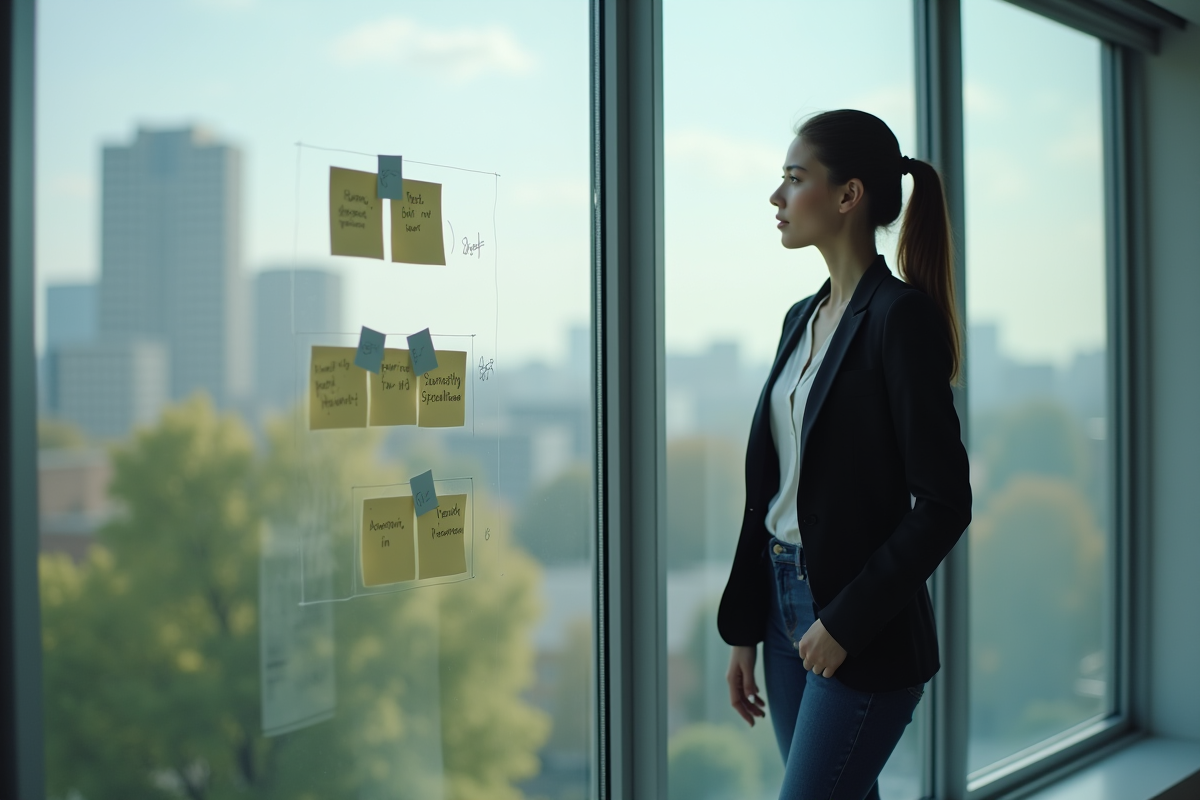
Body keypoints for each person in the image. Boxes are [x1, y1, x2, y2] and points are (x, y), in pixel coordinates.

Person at [717, 109, 973, 799]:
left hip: (860, 628)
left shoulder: (900, 319)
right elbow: (770, 490)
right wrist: (745, 625)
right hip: (779, 610)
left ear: (848, 195)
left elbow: (945, 503)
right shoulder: (799, 317)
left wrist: (844, 623)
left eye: (794, 179)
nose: (777, 198)